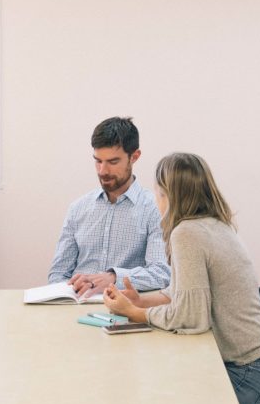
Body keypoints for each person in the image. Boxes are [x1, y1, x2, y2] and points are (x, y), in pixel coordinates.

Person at [102, 152, 260, 404]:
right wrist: (142, 301)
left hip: (253, 376)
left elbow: (191, 317)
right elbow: (186, 293)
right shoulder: (215, 225)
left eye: (157, 193)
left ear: (167, 195)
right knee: (160, 384)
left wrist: (133, 313)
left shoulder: (186, 233)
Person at [47, 116, 170, 297]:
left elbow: (161, 273)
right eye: (98, 161)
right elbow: (58, 274)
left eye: (113, 162)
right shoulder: (78, 208)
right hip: (76, 306)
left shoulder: (154, 209)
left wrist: (113, 277)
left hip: (126, 311)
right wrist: (65, 294)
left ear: (134, 157)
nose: (103, 171)